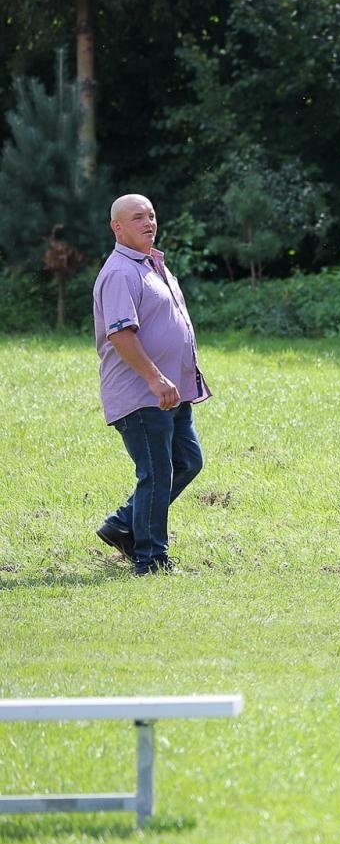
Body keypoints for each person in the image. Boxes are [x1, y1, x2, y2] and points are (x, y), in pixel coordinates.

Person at [92, 194, 211, 574]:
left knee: (187, 462)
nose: (148, 222)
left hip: (169, 391)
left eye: (152, 215)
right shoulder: (119, 273)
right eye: (137, 217)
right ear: (117, 227)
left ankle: (123, 524)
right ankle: (151, 559)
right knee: (157, 473)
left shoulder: (151, 264)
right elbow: (121, 334)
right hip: (143, 394)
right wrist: (155, 377)